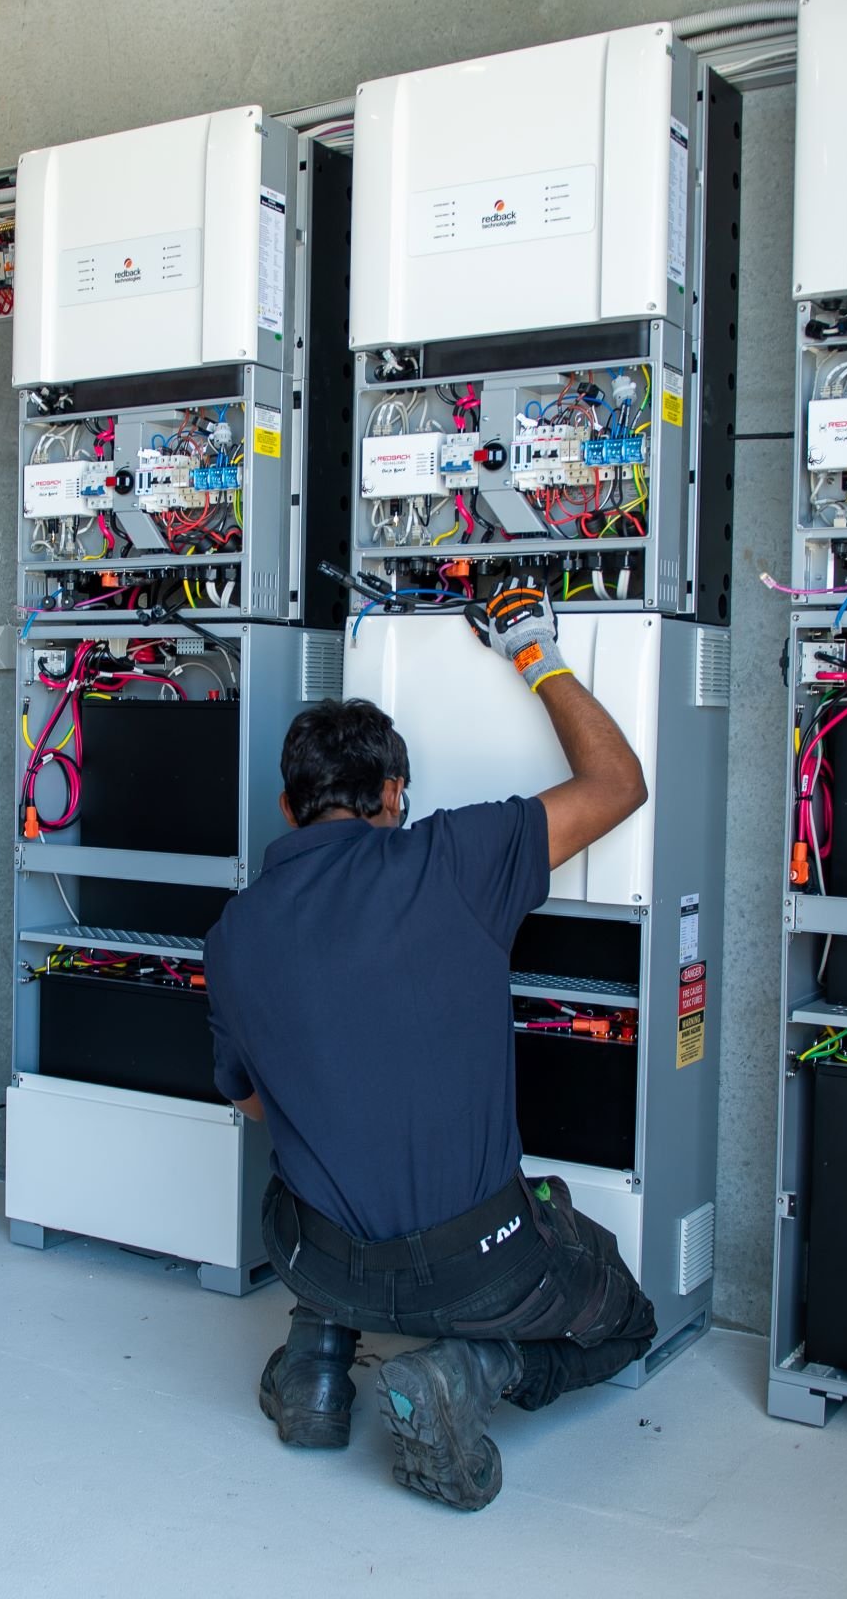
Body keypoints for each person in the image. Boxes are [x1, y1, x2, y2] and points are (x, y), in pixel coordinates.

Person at [203, 583, 656, 1511]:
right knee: (628, 1321)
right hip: (483, 1267)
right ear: (396, 795)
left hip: (318, 1260)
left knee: (303, 1162)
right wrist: (533, 649)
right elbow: (619, 784)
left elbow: (253, 1102)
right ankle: (472, 1371)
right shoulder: (456, 857)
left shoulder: (233, 933)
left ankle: (315, 1379)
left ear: (290, 812)